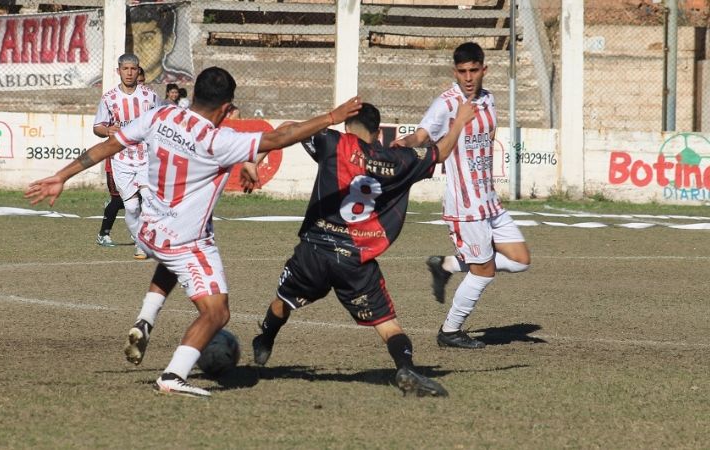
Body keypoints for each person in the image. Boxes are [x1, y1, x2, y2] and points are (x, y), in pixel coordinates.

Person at [25, 66, 362, 398]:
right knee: (217, 312)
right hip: (185, 242)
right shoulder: (218, 140)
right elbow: (279, 136)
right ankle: (173, 376)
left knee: (171, 259)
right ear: (227, 108)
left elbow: (111, 144)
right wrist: (331, 117)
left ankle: (146, 318)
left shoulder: (161, 115)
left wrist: (62, 176)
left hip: (147, 230)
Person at [244, 102, 478, 397]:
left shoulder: (333, 142)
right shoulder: (398, 159)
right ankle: (405, 367)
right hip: (355, 260)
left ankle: (265, 339)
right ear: (378, 132)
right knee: (387, 324)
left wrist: (256, 159)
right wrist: (459, 122)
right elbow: (441, 152)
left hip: (315, 250)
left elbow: (287, 128)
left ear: (346, 127)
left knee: (284, 299)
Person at [391, 42, 531, 349]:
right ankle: (450, 331)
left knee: (520, 260)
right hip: (465, 205)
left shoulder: (489, 100)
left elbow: (489, 137)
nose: (468, 77)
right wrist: (407, 141)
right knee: (484, 272)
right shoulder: (447, 103)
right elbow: (424, 135)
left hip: (490, 201)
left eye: (474, 70)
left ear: (484, 69)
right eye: (462, 71)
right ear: (455, 71)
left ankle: (448, 265)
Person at [93, 53, 161, 259]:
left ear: (138, 70)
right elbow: (97, 127)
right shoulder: (109, 98)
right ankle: (140, 241)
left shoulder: (150, 96)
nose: (129, 73)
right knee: (131, 207)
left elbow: (161, 122)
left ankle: (148, 243)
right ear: (119, 71)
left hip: (146, 157)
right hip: (121, 159)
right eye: (125, 69)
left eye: (133, 69)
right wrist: (107, 131)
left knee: (149, 199)